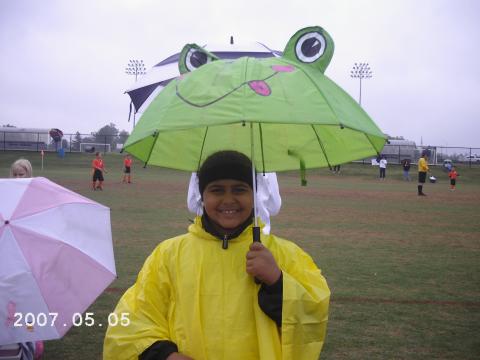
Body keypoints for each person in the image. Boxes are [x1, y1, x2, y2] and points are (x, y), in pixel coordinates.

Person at [104, 150, 330, 360]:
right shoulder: (168, 254)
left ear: (254, 195)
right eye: (217, 190)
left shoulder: (286, 255)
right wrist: (166, 355)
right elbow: (131, 320)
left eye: (240, 189)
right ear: (202, 196)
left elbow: (313, 319)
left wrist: (278, 282)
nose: (228, 199)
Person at [187, 171, 281, 235]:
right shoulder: (264, 163)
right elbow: (274, 208)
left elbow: (192, 205)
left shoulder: (201, 164)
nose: (228, 201)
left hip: (207, 238)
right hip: (258, 237)